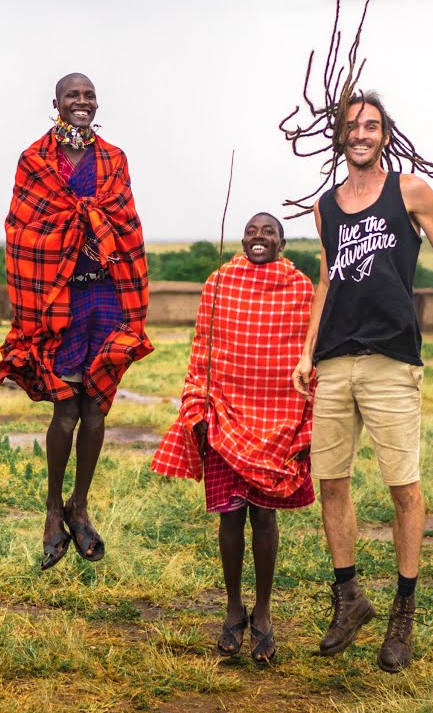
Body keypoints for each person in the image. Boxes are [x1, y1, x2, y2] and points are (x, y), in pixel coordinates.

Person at [291, 91, 433, 672]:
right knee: (332, 482)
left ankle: (403, 613)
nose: (361, 133)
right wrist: (306, 353)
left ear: (385, 134)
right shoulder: (325, 207)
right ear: (340, 136)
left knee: (403, 488)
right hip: (334, 361)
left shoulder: (410, 192)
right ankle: (349, 597)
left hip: (393, 360)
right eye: (352, 126)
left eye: (371, 125)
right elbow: (327, 279)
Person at [0, 73, 152, 570]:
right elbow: (22, 229)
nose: (82, 102)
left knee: (96, 408)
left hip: (106, 296)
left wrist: (92, 222)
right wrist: (77, 222)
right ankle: (53, 507)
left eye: (88, 95)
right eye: (72, 96)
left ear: (96, 103)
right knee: (65, 411)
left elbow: (126, 225)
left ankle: (81, 505)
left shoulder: (114, 159)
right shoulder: (35, 160)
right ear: (55, 103)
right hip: (57, 298)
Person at [153, 213, 314, 664]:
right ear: (242, 238)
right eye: (252, 231)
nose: (258, 237)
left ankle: (262, 613)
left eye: (269, 232)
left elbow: (311, 357)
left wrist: (308, 422)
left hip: (277, 420)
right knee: (229, 517)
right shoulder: (219, 283)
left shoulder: (302, 290)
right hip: (224, 414)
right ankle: (232, 609)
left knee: (264, 518)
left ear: (282, 243)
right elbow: (201, 349)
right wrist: (197, 405)